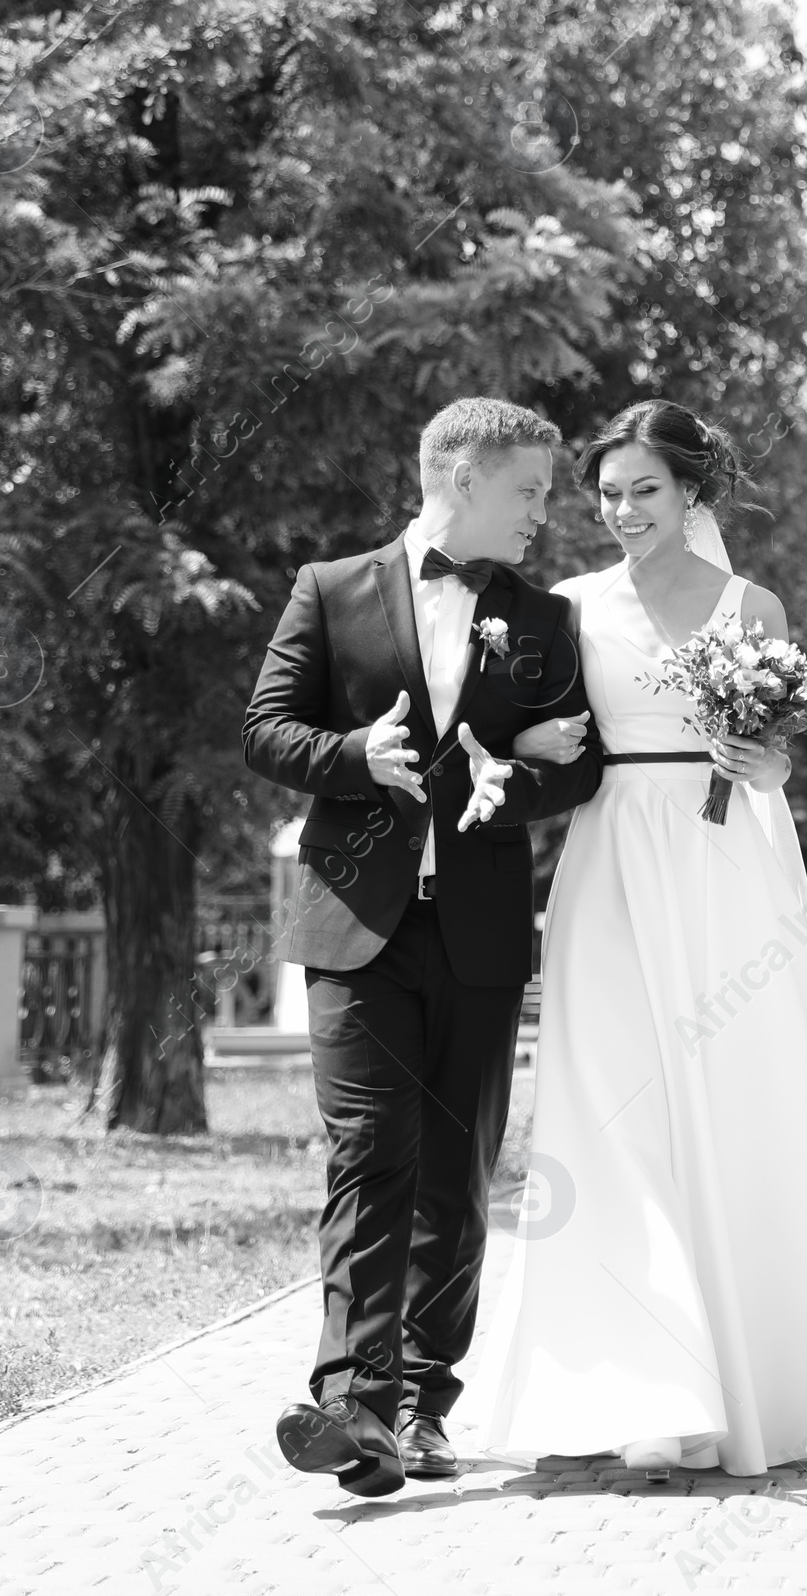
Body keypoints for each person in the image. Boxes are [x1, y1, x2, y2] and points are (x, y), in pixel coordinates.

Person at [459, 398, 807, 1477]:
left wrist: (773, 766)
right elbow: (539, 744)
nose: (621, 512)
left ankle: (774, 1374)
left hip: (718, 868)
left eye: (643, 491)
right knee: (612, 1114)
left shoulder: (753, 604)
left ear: (689, 492)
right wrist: (523, 741)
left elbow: (776, 749)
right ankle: (645, 1388)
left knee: (739, 1101)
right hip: (610, 866)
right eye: (605, 495)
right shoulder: (565, 607)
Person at [242, 397, 601, 1498]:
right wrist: (354, 754)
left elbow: (582, 765)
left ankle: (422, 1403)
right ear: (458, 477)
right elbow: (266, 728)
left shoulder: (541, 620)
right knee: (369, 1153)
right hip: (356, 932)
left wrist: (507, 770)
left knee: (454, 1176)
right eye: (528, 491)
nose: (544, 512)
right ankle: (350, 1404)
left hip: (482, 935)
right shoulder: (329, 589)